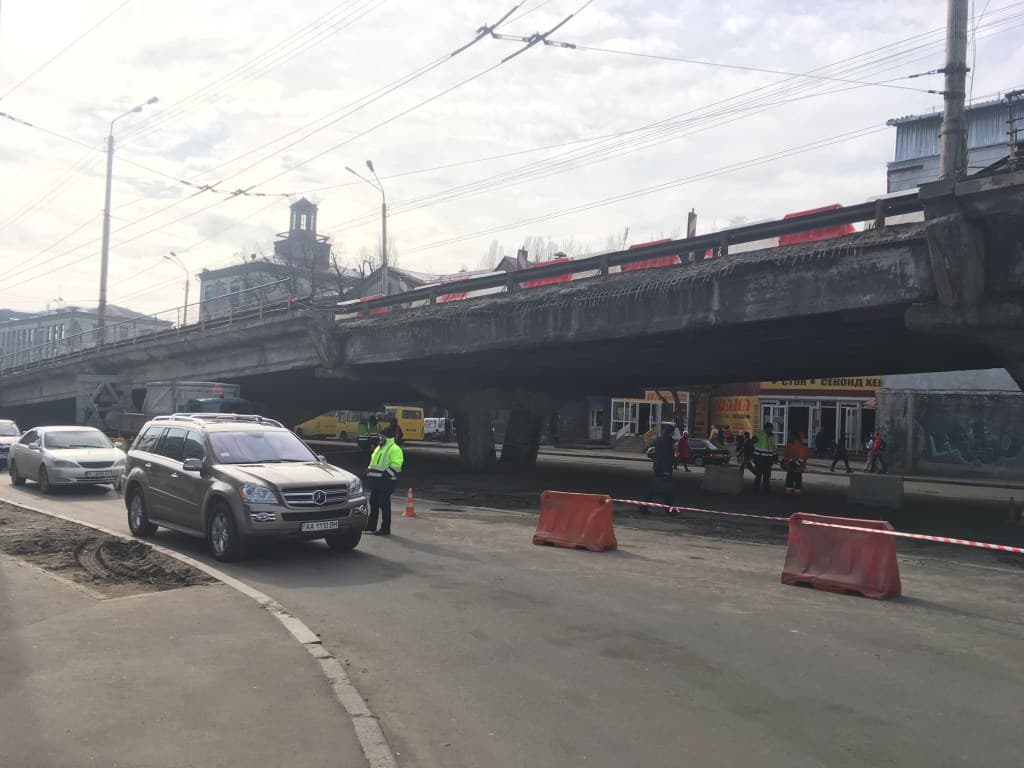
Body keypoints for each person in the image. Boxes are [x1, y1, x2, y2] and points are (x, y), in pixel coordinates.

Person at [365, 427, 404, 536]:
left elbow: (396, 465)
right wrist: (367, 471)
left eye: (383, 436)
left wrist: (385, 475)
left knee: (384, 506)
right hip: (376, 482)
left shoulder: (394, 449)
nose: (380, 438)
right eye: (380, 436)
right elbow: (373, 462)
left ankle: (385, 529)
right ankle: (371, 526)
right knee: (373, 504)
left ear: (389, 437)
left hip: (386, 483)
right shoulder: (379, 447)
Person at [645, 423, 675, 511]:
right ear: (671, 432)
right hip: (664, 469)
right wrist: (666, 470)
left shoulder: (659, 440)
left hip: (658, 467)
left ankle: (644, 507)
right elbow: (666, 457)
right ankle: (669, 510)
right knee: (665, 490)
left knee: (657, 489)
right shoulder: (668, 442)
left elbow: (657, 455)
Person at [752, 421, 777, 495]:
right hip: (760, 458)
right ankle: (756, 489)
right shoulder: (759, 434)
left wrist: (775, 456)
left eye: (771, 429)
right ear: (765, 428)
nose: (771, 430)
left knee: (767, 476)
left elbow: (773, 447)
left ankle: (766, 490)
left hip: (768, 459)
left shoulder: (771, 436)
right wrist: (754, 457)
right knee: (758, 475)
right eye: (770, 429)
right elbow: (752, 442)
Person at [783, 431, 809, 496]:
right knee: (797, 478)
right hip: (797, 466)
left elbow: (787, 456)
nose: (790, 438)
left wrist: (787, 462)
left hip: (793, 466)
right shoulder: (801, 446)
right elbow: (803, 458)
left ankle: (790, 490)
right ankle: (796, 491)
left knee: (790, 478)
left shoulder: (790, 446)